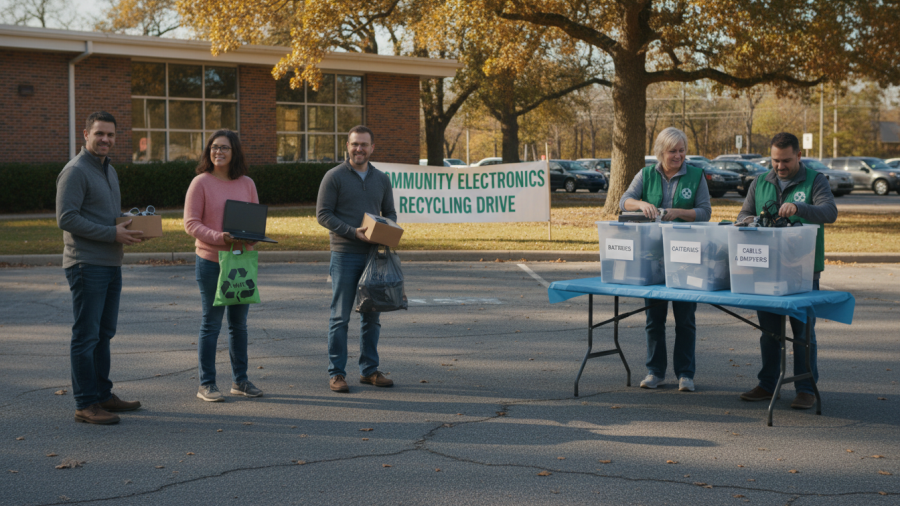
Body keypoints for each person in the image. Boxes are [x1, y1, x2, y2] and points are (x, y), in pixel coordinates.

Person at [736, 132, 837, 410]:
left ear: (799, 156)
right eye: (775, 160)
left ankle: (806, 388)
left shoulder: (815, 180)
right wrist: (747, 220)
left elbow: (830, 212)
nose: (780, 166)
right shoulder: (760, 181)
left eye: (786, 161)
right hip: (765, 269)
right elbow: (742, 215)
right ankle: (768, 385)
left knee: (803, 333)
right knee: (769, 332)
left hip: (803, 270)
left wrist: (800, 208)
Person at [57, 111, 144, 424]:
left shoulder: (109, 170)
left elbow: (101, 213)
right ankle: (85, 404)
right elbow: (66, 218)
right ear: (86, 134)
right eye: (99, 134)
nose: (105, 139)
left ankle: (103, 395)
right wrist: (112, 233)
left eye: (110, 134)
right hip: (86, 264)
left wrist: (129, 226)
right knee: (86, 335)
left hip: (110, 262)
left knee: (104, 333)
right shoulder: (76, 171)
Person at [620, 127, 712, 392]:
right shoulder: (646, 173)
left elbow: (705, 212)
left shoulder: (696, 175)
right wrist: (641, 205)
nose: (678, 156)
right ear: (660, 152)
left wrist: (679, 212)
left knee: (685, 318)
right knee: (654, 317)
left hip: (687, 255)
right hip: (653, 256)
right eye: (673, 151)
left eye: (682, 150)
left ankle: (685, 374)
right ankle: (655, 371)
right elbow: (623, 201)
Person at [316, 125, 397, 393]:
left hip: (374, 257)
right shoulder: (334, 176)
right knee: (340, 316)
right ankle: (337, 373)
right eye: (354, 144)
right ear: (347, 146)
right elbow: (323, 215)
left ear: (372, 148)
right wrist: (354, 233)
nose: (359, 149)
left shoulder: (382, 179)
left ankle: (369, 370)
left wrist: (385, 231)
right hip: (344, 255)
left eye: (364, 144)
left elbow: (390, 213)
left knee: (372, 316)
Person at [184, 130, 263, 402]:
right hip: (211, 262)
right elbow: (191, 224)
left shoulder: (247, 183)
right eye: (214, 147)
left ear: (234, 152)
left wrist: (252, 238)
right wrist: (220, 238)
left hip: (241, 261)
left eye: (224, 148)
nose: (218, 152)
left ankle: (240, 381)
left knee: (239, 326)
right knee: (211, 324)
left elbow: (253, 220)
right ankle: (206, 384)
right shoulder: (201, 183)